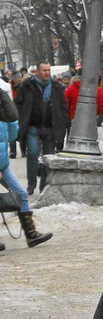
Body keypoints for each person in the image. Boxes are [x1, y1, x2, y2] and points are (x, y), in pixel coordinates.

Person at [0, 87, 50, 249]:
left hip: (3, 165)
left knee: (21, 194)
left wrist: (11, 117)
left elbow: (13, 135)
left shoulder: (3, 117)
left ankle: (31, 235)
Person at [15, 61, 69, 195]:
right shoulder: (27, 86)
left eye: (49, 70)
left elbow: (63, 106)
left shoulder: (56, 87)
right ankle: (31, 184)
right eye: (44, 70)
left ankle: (44, 186)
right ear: (37, 72)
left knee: (48, 158)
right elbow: (19, 105)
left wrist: (64, 122)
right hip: (33, 126)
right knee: (32, 153)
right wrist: (21, 119)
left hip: (50, 127)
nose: (47, 73)